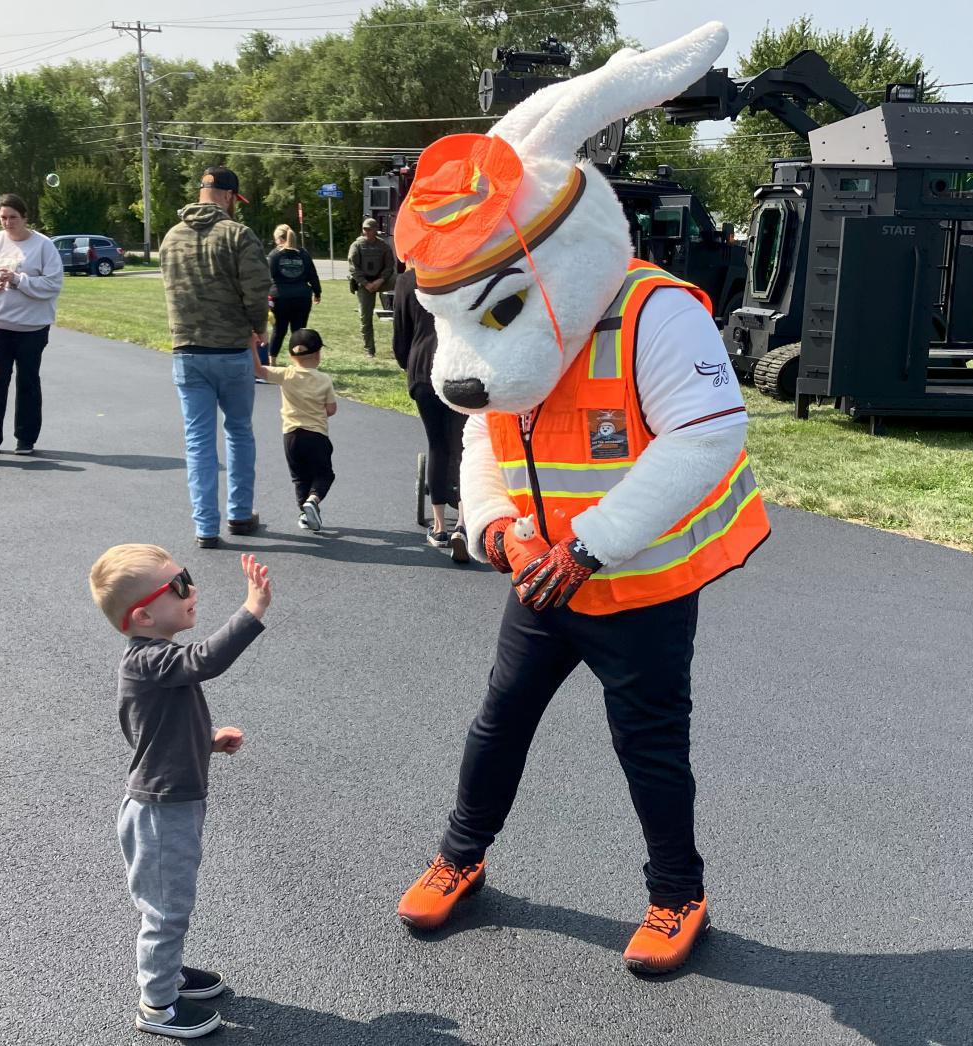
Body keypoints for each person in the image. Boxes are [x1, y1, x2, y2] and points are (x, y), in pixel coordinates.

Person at [392, 25, 771, 977]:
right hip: (541, 576)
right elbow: (483, 431)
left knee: (648, 747)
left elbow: (709, 435)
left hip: (633, 582)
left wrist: (592, 545)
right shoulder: (505, 351)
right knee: (498, 724)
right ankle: (459, 857)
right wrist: (495, 526)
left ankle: (677, 894)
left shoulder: (655, 311)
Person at [88, 545, 271, 1040]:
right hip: (160, 813)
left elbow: (155, 732)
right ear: (144, 615)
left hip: (170, 802)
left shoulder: (155, 662)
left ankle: (167, 975)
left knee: (171, 903)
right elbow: (205, 660)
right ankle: (157, 1006)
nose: (191, 590)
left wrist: (207, 743)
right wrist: (252, 610)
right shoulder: (147, 660)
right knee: (166, 910)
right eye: (178, 585)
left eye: (185, 577)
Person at [160, 166, 271, 549]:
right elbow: (257, 289)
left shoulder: (171, 238)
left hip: (187, 350)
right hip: (231, 349)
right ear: (227, 196)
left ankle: (205, 526)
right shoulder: (238, 235)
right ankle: (240, 514)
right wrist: (259, 328)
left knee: (198, 441)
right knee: (239, 430)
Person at [0, 192, 63, 456]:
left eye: (13, 217)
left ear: (25, 217)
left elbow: (53, 284)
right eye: (3, 218)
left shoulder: (43, 246)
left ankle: (26, 437)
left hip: (32, 328)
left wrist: (19, 280)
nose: (8, 223)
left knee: (28, 381)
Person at [391, 267, 467, 561]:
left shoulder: (408, 280)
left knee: (437, 445)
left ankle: (438, 527)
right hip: (459, 369)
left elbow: (401, 335)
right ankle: (462, 522)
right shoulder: (464, 271)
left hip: (423, 366)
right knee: (462, 447)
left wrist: (407, 361)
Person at [251, 328, 337, 533]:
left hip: (291, 436)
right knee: (325, 474)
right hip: (316, 435)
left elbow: (259, 371)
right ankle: (313, 501)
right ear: (318, 354)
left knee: (299, 478)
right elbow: (331, 410)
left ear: (291, 356)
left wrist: (251, 346)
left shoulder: (286, 374)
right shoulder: (324, 379)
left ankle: (304, 514)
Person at [265, 224, 321, 366]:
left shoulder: (275, 255)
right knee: (299, 332)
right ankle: (300, 362)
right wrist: (317, 292)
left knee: (278, 330)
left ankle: (272, 361)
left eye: (275, 239)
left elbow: (266, 277)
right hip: (302, 298)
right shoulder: (303, 254)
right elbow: (312, 275)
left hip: (280, 298)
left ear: (279, 239)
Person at [347, 217, 395, 357]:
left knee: (400, 281)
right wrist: (366, 284)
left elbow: (389, 266)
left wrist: (380, 280)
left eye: (369, 229)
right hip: (364, 284)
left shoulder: (383, 246)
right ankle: (370, 350)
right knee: (365, 317)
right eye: (364, 229)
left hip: (381, 280)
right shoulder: (356, 246)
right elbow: (353, 268)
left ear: (375, 230)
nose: (366, 232)